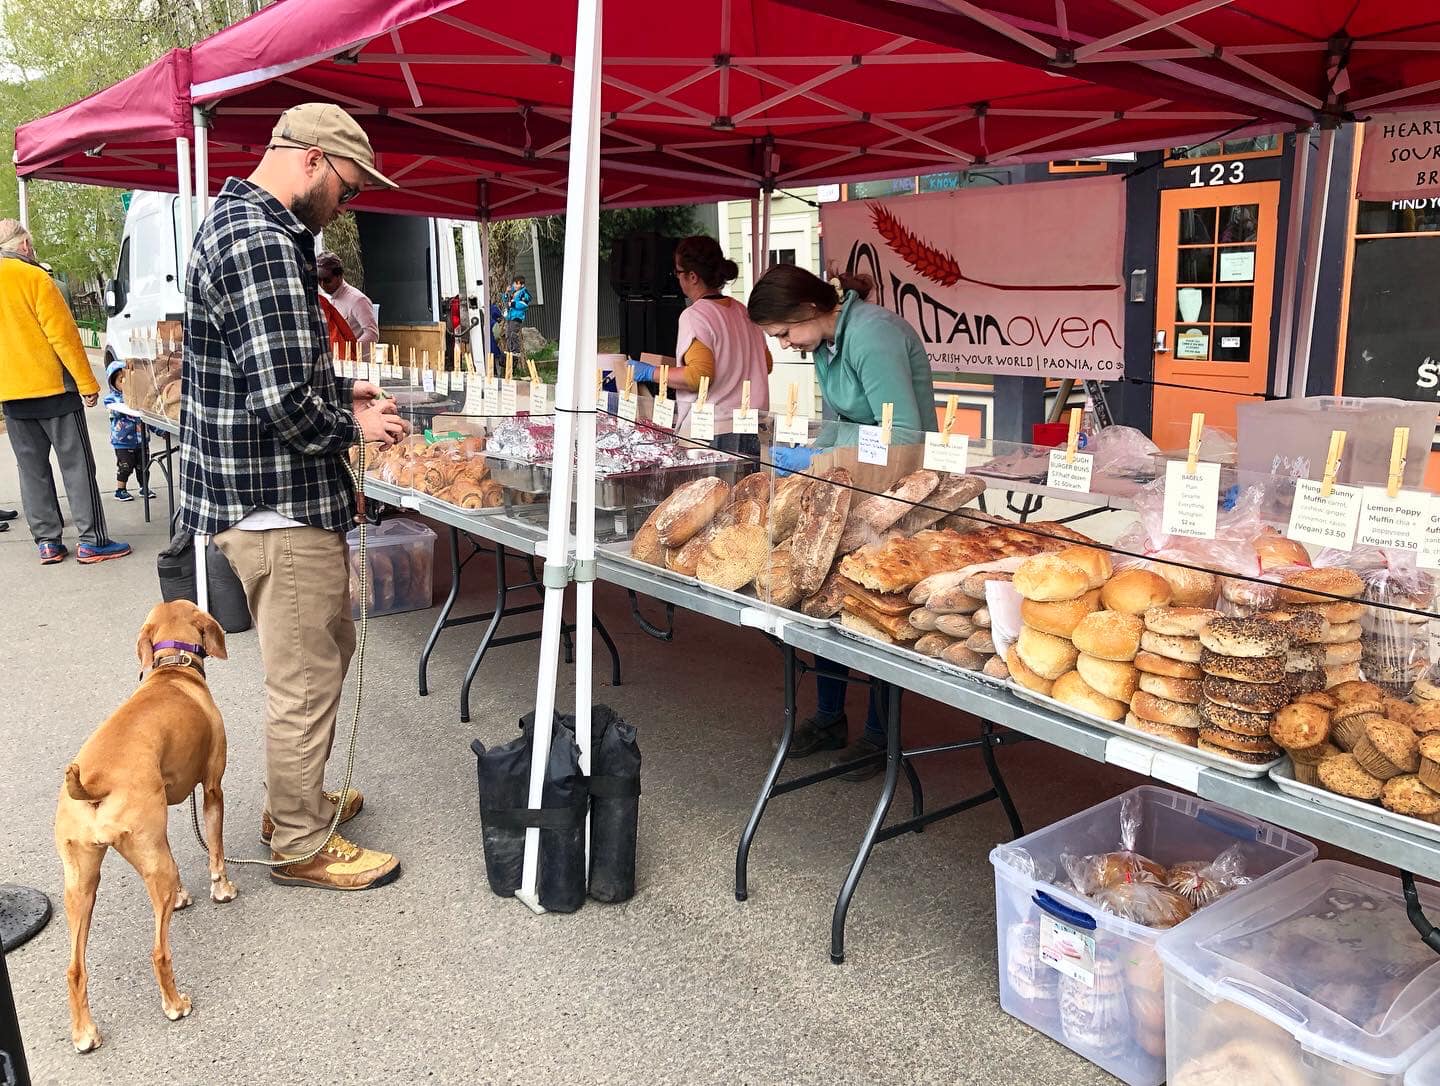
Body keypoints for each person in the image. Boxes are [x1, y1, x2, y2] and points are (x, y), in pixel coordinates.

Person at [180, 102, 410, 891]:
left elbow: (270, 378)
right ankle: (301, 843)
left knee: (322, 653)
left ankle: (297, 799)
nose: (346, 207)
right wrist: (355, 425)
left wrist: (347, 395)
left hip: (268, 495)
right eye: (346, 188)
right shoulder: (262, 240)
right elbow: (281, 401)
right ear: (312, 160)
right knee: (306, 677)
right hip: (274, 503)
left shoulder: (251, 230)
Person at [747, 264, 938, 781]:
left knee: (876, 609)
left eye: (785, 333)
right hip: (855, 481)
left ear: (810, 310)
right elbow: (838, 425)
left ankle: (880, 735)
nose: (784, 345)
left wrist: (833, 465)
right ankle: (830, 715)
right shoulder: (825, 345)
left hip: (897, 488)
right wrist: (810, 469)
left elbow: (900, 432)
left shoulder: (872, 334)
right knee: (822, 598)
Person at [0, 219, 132, 564]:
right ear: (25, 246)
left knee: (31, 469)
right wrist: (88, 384)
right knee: (77, 466)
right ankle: (92, 540)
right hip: (54, 389)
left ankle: (47, 540)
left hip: (12, 393)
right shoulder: (35, 278)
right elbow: (64, 336)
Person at [628, 235, 771, 456]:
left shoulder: (695, 316)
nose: (677, 278)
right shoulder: (743, 311)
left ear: (692, 276)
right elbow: (766, 364)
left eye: (677, 272)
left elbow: (699, 377)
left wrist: (650, 372)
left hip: (715, 433)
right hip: (753, 427)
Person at [102, 361, 154, 502]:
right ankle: (121, 489)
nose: (125, 383)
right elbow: (113, 412)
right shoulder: (113, 399)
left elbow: (147, 416)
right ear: (113, 383)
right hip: (123, 441)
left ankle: (144, 487)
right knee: (125, 466)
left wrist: (159, 430)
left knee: (143, 466)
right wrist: (125, 406)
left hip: (142, 440)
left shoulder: (140, 397)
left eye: (128, 380)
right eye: (121, 380)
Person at [317, 251, 378, 345]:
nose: (322, 285)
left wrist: (350, 352)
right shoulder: (324, 299)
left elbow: (372, 334)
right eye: (319, 280)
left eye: (327, 280)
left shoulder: (358, 300)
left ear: (339, 275)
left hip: (355, 358)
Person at [501, 274, 531, 360]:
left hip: (517, 316)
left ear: (522, 285)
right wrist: (506, 292)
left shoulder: (524, 293)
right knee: (508, 333)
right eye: (514, 284)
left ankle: (516, 350)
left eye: (517, 284)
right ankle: (510, 349)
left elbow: (524, 304)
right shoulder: (513, 292)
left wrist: (513, 304)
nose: (515, 285)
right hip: (510, 316)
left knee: (513, 333)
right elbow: (506, 300)